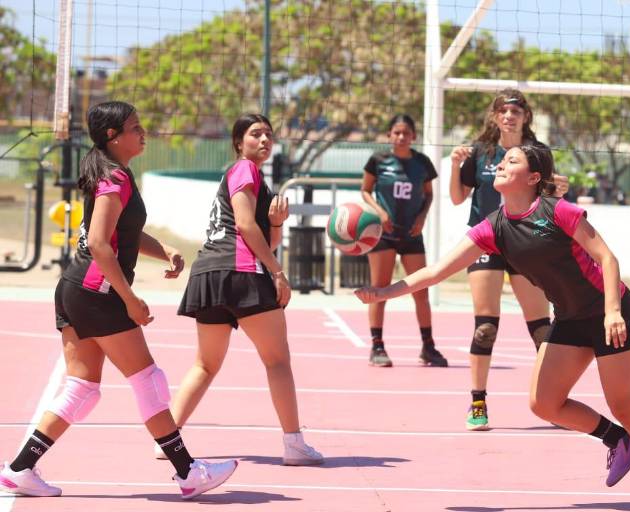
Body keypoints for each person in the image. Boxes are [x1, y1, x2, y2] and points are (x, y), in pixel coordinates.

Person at [355, 144, 630, 509]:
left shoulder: (557, 210)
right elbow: (435, 272)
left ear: (533, 177)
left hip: (611, 309)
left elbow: (606, 257)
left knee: (624, 404)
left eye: (512, 161)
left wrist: (612, 312)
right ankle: (617, 439)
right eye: (501, 160)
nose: (500, 164)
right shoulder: (493, 226)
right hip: (572, 319)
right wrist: (384, 292)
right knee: (544, 404)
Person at [0, 101, 237, 499]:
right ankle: (188, 472)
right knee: (148, 379)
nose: (143, 132)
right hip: (97, 293)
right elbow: (98, 243)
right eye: (135, 127)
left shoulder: (114, 173)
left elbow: (116, 234)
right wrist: (129, 299)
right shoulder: (113, 178)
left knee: (82, 388)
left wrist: (164, 250)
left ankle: (20, 468)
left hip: (76, 290)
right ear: (113, 137)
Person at [166, 113, 323, 465]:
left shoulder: (253, 180)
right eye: (256, 134)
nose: (264, 140)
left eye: (269, 134)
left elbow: (261, 235)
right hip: (239, 271)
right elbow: (244, 226)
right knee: (277, 360)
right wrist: (278, 273)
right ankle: (294, 444)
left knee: (205, 364)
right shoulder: (244, 169)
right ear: (239, 142)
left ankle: (167, 439)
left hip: (208, 273)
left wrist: (277, 224)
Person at [449, 89, 562, 430]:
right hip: (487, 241)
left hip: (526, 241)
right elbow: (457, 198)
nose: (509, 115)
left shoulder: (538, 153)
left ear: (525, 115)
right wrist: (456, 166)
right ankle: (478, 403)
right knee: (485, 327)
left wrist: (560, 188)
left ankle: (554, 400)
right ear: (495, 116)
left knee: (543, 328)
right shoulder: (480, 151)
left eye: (515, 110)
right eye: (503, 110)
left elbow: (547, 195)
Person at [361, 114, 448, 368]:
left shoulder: (422, 163)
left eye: (406, 133)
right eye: (396, 132)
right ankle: (377, 346)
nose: (401, 137)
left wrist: (422, 217)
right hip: (383, 233)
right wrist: (379, 211)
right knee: (380, 289)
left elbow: (429, 195)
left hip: (411, 234)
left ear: (414, 137)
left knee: (421, 291)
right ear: (389, 135)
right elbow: (365, 190)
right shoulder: (378, 161)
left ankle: (428, 347)